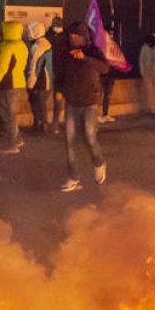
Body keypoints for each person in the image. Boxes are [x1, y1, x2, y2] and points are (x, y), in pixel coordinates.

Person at [56, 22, 109, 192]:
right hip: (72, 103)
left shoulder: (93, 52)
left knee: (90, 137)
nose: (73, 39)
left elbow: (105, 68)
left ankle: (99, 163)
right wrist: (60, 90)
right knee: (69, 141)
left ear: (84, 37)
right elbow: (61, 74)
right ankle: (73, 178)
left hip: (90, 103)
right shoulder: (66, 54)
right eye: (71, 36)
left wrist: (84, 57)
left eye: (76, 36)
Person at [0, 21, 28, 155]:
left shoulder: (6, 46)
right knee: (12, 114)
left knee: (7, 114)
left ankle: (12, 144)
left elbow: (1, 68)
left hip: (6, 84)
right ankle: (17, 139)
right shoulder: (22, 45)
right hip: (19, 82)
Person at [25, 22, 54, 133]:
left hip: (39, 82)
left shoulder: (37, 47)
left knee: (39, 105)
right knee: (41, 105)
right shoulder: (46, 43)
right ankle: (41, 125)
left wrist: (30, 83)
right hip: (46, 81)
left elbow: (34, 67)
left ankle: (42, 126)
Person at [47, 18, 67, 135]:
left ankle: (55, 122)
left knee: (58, 98)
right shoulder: (48, 37)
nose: (58, 28)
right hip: (49, 71)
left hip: (61, 72)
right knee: (44, 97)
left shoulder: (65, 38)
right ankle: (44, 122)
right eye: (56, 26)